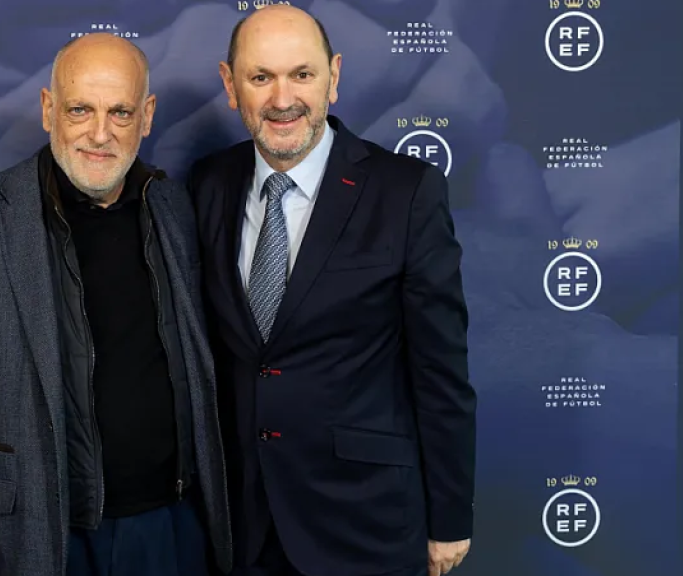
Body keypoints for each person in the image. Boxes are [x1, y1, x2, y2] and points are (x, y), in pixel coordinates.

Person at [0, 33, 232, 576]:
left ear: (147, 117)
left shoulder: (174, 207)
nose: (99, 133)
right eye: (80, 109)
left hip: (171, 529)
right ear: (48, 109)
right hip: (40, 538)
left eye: (120, 112)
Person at [186, 6, 475, 576]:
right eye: (260, 77)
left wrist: (450, 518)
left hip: (365, 523)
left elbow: (441, 371)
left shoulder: (405, 192)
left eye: (302, 74)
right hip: (245, 527)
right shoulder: (208, 185)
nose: (282, 98)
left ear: (334, 78)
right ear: (230, 84)